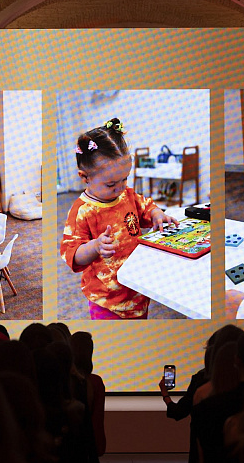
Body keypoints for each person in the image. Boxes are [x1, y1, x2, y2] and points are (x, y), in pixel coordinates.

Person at [60, 118, 176, 319]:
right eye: (111, 184)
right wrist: (95, 246)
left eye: (125, 179)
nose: (121, 187)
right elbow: (72, 254)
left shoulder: (126, 195)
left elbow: (146, 207)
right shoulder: (82, 211)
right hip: (106, 300)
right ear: (85, 177)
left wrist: (157, 213)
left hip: (136, 288)